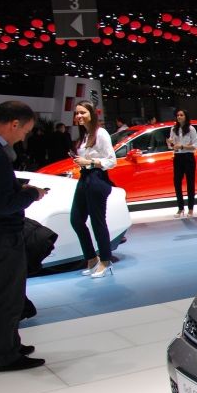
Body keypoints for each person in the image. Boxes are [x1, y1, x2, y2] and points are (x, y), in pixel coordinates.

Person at [0, 101, 48, 371]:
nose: (23, 138)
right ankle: (6, 355)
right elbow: (4, 204)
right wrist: (31, 193)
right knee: (9, 296)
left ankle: (10, 344)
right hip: (0, 234)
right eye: (25, 131)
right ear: (14, 124)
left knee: (4, 292)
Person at [69, 100, 116, 279]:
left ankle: (105, 260)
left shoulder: (100, 133)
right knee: (76, 219)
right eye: (77, 113)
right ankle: (91, 259)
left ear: (91, 114)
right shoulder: (84, 135)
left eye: (83, 112)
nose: (79, 116)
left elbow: (111, 160)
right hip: (84, 177)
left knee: (97, 222)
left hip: (97, 178)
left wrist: (89, 162)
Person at [167, 109, 197, 218]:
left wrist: (182, 146)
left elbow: (195, 146)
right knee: (177, 183)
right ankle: (180, 208)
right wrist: (170, 144)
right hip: (178, 157)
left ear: (186, 116)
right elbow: (171, 146)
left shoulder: (191, 129)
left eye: (181, 115)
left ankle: (190, 209)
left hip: (188, 157)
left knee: (190, 183)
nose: (179, 117)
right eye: (178, 115)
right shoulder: (173, 129)